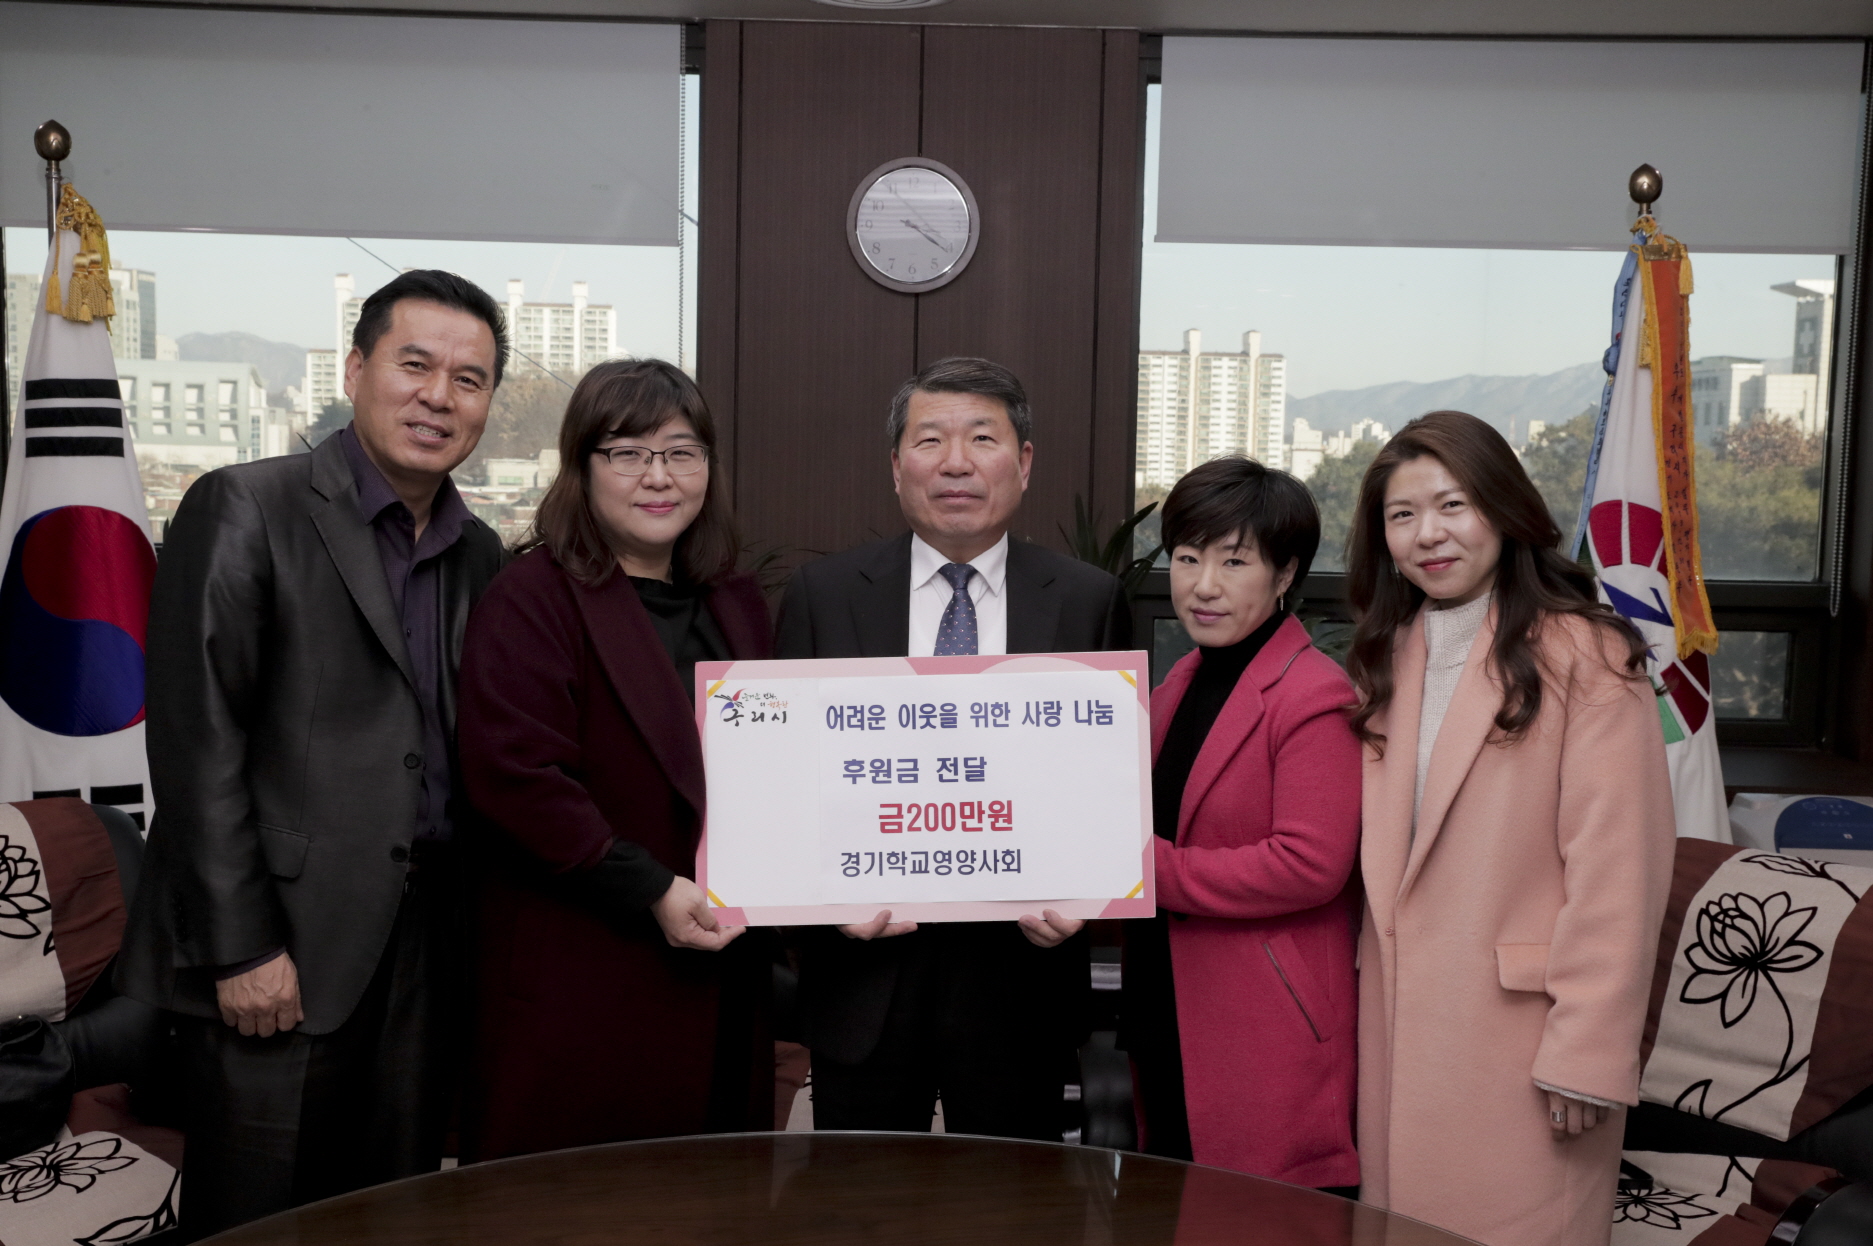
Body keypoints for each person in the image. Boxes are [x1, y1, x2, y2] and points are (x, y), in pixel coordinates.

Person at [117, 270, 509, 1235]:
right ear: (356, 367)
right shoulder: (247, 506)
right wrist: (242, 945)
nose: (439, 396)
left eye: (470, 379)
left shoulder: (481, 553)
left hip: (425, 951)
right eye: (414, 365)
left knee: (394, 1209)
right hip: (280, 952)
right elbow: (196, 739)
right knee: (262, 1221)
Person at [775, 356, 1131, 1140]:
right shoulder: (823, 597)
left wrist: (1084, 896)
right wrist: (819, 901)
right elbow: (785, 787)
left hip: (1021, 982)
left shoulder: (1084, 601)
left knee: (1014, 1214)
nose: (957, 462)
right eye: (930, 440)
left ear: (1025, 462)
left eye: (982, 438)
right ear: (896, 466)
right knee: (858, 1212)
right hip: (864, 978)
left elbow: (1106, 790)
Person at [1344, 410, 1675, 1246]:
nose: (1428, 535)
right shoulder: (1386, 656)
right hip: (1396, 1035)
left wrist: (1588, 1051)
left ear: (1502, 508)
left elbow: (1618, 874)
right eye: (1402, 514)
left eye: (1452, 505)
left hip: (1526, 1048)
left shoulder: (1587, 654)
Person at [455, 359, 773, 1160]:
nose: (656, 476)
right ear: (582, 467)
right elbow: (516, 777)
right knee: (582, 1211)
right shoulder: (533, 595)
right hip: (586, 967)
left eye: (680, 451)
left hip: (719, 967)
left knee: (710, 1207)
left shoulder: (733, 599)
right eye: (626, 452)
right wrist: (650, 887)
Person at [1120, 456, 1360, 1190]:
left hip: (1260, 1017)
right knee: (1169, 1201)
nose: (1204, 585)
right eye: (1188, 559)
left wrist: (1141, 869)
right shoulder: (1175, 684)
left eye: (1234, 562)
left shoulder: (1314, 694)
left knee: (1254, 1216)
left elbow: (1308, 864)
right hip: (1166, 994)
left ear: (1284, 574)